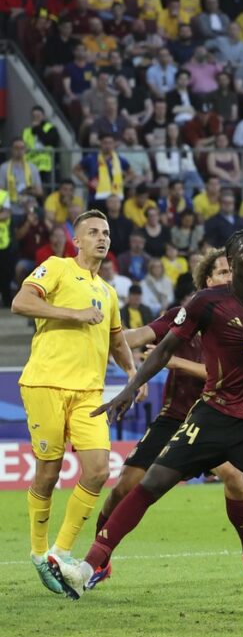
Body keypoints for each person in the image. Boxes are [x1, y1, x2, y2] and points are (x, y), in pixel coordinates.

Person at [50, 231, 243, 601]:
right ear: (230, 265)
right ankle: (89, 566)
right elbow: (161, 348)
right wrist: (127, 386)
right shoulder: (205, 304)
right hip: (208, 416)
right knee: (146, 484)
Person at [97, 249, 243, 586]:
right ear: (207, 280)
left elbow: (218, 373)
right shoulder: (186, 315)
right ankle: (100, 560)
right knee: (124, 487)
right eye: (223, 272)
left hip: (217, 420)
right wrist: (100, 338)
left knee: (238, 481)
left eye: (232, 271)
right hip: (175, 418)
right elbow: (135, 337)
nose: (229, 277)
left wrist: (174, 362)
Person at [12, 210, 139, 595]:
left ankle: (59, 552)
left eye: (106, 233)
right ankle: (38, 553)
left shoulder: (109, 292)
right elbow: (21, 302)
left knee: (98, 470)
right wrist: (73, 313)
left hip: (88, 392)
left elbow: (117, 341)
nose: (102, 238)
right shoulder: (56, 268)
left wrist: (134, 376)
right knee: (48, 475)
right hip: (46, 384)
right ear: (77, 240)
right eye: (93, 232)